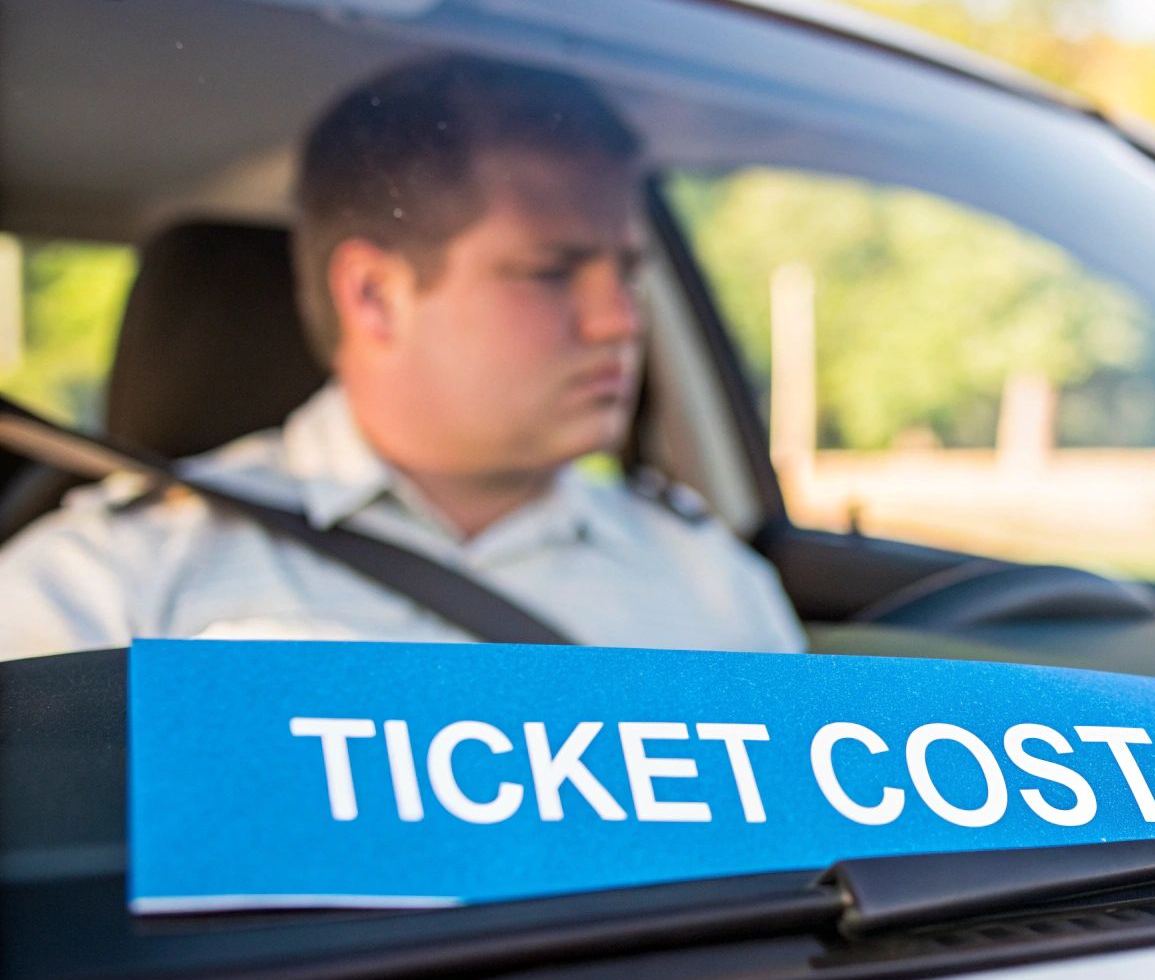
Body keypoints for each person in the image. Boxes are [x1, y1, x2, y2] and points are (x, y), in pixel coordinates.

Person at [0, 56, 805, 659]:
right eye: (551, 272)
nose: (619, 321)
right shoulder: (111, 586)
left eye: (627, 274)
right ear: (374, 295)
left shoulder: (713, 584)